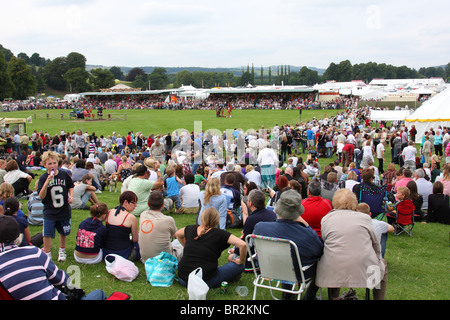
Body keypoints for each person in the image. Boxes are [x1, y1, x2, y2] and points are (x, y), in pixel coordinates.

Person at [316, 188, 388, 300]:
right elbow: (375, 243)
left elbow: (326, 241)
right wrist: (378, 257)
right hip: (362, 266)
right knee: (380, 266)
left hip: (334, 265)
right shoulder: (365, 218)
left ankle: (334, 296)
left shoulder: (326, 219)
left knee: (334, 260)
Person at [253, 189, 324, 300]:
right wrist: (305, 224)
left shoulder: (260, 227)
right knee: (323, 262)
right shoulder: (307, 234)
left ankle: (287, 294)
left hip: (269, 268)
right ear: (297, 212)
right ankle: (309, 296)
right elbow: (319, 251)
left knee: (287, 258)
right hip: (298, 273)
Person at [175, 207, 247, 289]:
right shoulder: (221, 234)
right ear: (217, 220)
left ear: (201, 218)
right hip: (205, 281)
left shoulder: (190, 228)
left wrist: (186, 246)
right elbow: (243, 245)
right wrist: (241, 260)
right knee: (239, 266)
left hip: (183, 279)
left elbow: (177, 234)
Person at [37, 151, 74, 262]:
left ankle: (62, 250)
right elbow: (41, 195)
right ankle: (47, 253)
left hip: (63, 209)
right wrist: (46, 183)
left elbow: (70, 186)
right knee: (47, 233)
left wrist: (71, 196)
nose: (52, 166)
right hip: (50, 210)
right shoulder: (43, 178)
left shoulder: (64, 174)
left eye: (54, 163)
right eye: (49, 164)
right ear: (44, 165)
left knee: (63, 232)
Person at [228, 189, 277, 271]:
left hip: (255, 257)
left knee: (230, 258)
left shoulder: (251, 219)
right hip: (272, 253)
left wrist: (236, 251)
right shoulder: (272, 214)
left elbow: (245, 241)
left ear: (250, 203)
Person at [138, 191, 183, 263]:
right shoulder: (168, 220)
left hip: (146, 260)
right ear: (163, 204)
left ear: (148, 204)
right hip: (164, 260)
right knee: (180, 243)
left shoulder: (143, 215)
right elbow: (175, 235)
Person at [103, 191, 140, 261]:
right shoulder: (131, 217)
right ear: (125, 202)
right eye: (133, 203)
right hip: (122, 254)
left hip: (106, 252)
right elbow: (135, 240)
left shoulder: (109, 212)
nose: (136, 205)